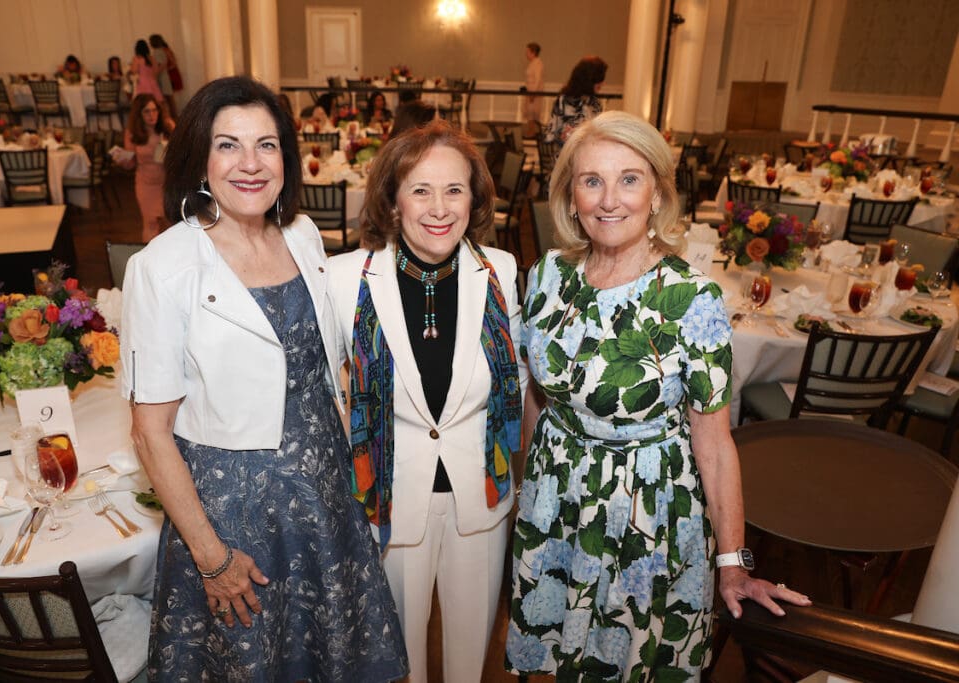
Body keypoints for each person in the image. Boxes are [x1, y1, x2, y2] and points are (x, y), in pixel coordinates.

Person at [120, 76, 408, 681]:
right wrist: (211, 556)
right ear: (200, 158)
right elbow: (151, 433)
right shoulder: (162, 267)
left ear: (287, 157)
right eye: (229, 146)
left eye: (267, 145)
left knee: (332, 657)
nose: (250, 165)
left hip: (325, 495)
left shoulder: (302, 235)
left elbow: (327, 365)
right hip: (235, 515)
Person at [505, 111, 811, 680]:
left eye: (629, 178)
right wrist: (523, 490)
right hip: (555, 505)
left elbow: (716, 448)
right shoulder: (547, 275)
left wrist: (733, 564)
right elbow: (539, 396)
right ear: (570, 196)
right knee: (556, 659)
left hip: (643, 516)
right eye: (591, 180)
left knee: (630, 660)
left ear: (657, 193)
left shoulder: (690, 299)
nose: (608, 199)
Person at [327, 119, 527, 683]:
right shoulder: (345, 280)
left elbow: (519, 373)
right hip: (389, 501)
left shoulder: (501, 272)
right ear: (392, 202)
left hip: (481, 499)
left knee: (470, 663)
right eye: (420, 190)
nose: (439, 207)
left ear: (475, 199)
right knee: (399, 665)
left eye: (454, 189)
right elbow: (323, 393)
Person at [122, 94, 175, 242]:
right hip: (146, 184)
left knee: (173, 223)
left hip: (168, 183)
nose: (152, 115)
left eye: (154, 110)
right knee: (150, 223)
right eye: (146, 111)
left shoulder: (168, 126)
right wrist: (122, 160)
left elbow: (182, 152)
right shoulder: (132, 133)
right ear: (139, 114)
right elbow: (130, 163)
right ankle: (150, 260)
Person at [544, 55, 607, 145]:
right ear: (589, 80)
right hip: (567, 153)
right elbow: (552, 135)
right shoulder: (565, 101)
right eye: (600, 79)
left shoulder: (594, 103)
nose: (603, 83)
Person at [149, 34, 179, 117]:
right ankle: (174, 116)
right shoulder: (162, 50)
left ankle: (168, 117)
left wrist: (154, 75)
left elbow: (161, 65)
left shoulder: (157, 52)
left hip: (161, 77)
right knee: (169, 98)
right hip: (165, 76)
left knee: (165, 99)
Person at [131, 39, 164, 107]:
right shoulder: (151, 58)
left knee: (143, 104)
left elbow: (134, 71)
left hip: (142, 83)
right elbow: (156, 71)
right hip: (153, 82)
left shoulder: (137, 58)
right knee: (157, 104)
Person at [523, 42, 544, 126]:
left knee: (533, 115)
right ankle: (531, 133)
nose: (526, 54)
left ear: (533, 53)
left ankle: (533, 134)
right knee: (529, 116)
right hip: (530, 92)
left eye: (527, 52)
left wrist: (533, 93)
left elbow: (538, 80)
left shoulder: (538, 64)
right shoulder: (532, 63)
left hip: (534, 95)